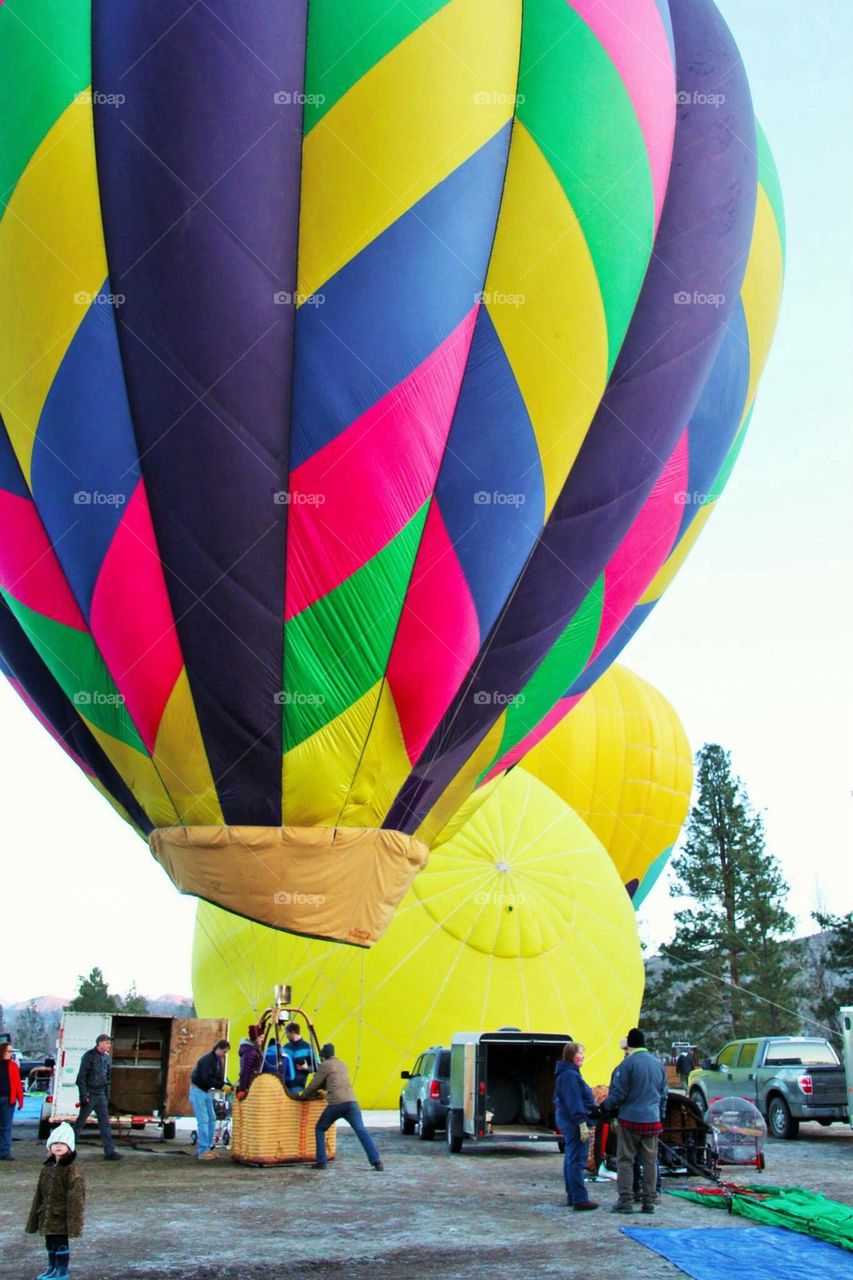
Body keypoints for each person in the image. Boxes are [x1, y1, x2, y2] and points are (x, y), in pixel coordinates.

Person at [603, 1027, 667, 1215]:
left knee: (626, 1160)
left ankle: (626, 1200)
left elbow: (619, 1094)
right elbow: (664, 1094)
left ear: (629, 1045)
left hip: (630, 1120)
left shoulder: (626, 1065)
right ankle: (649, 1201)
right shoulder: (658, 1064)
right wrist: (660, 1115)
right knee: (649, 1161)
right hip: (652, 1120)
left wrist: (604, 1107)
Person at [297, 1043, 383, 1171]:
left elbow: (314, 1084)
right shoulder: (343, 1065)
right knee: (361, 1130)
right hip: (352, 1102)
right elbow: (334, 1081)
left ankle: (321, 1162)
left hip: (336, 1103)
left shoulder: (325, 1065)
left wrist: (303, 1095)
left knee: (320, 1128)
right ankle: (377, 1161)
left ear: (323, 1057)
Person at [26, 1121, 85, 1280]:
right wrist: (35, 1216)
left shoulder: (71, 1170)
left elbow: (76, 1198)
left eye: (62, 1143)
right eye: (55, 1143)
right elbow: (39, 1194)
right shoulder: (47, 1168)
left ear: (69, 1147)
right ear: (50, 1146)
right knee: (50, 1243)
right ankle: (52, 1267)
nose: (58, 1146)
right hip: (47, 1214)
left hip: (61, 1216)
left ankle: (61, 1270)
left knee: (60, 1243)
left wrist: (74, 1222)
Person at [553, 1043, 598, 1211]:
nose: (583, 1056)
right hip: (573, 1121)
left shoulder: (567, 1074)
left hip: (568, 1119)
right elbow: (574, 1101)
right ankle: (579, 1198)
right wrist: (581, 1122)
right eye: (580, 1053)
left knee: (571, 1156)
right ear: (572, 1055)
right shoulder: (570, 1076)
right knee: (577, 1159)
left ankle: (573, 1195)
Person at [74, 1034, 122, 1160]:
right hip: (90, 1094)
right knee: (80, 1123)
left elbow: (107, 1079)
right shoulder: (89, 1056)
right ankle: (68, 1150)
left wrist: (107, 1096)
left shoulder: (105, 1058)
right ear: (100, 1043)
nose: (109, 1045)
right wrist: (83, 1096)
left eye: (109, 1043)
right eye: (107, 1043)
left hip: (101, 1095)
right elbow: (81, 1078)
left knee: (105, 1124)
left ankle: (109, 1151)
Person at [190, 1038, 230, 1162]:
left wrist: (226, 1085)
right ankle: (203, 1151)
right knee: (204, 1120)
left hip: (206, 1091)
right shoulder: (207, 1060)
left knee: (212, 1118)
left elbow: (217, 1078)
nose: (224, 1055)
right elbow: (206, 1078)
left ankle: (207, 1148)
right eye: (224, 1052)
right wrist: (221, 1086)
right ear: (217, 1049)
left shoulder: (217, 1061)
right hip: (198, 1091)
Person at [0, 1042, 24, 1160]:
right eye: (9, 1051)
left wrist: (20, 1100)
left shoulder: (13, 1066)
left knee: (6, 1127)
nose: (11, 1054)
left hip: (8, 1100)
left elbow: (17, 1084)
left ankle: (5, 1152)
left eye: (11, 1051)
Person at [236, 1025, 266, 1099]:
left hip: (252, 1084)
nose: (262, 1040)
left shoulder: (254, 1050)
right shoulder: (250, 1052)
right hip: (249, 1086)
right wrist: (242, 1089)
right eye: (261, 1037)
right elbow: (245, 1071)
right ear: (256, 1037)